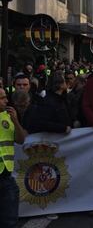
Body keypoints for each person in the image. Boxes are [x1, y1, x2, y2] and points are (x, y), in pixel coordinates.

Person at [0, 88, 27, 228]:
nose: (6, 100)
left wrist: (15, 121)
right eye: (2, 98)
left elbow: (21, 139)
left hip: (5, 174)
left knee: (10, 221)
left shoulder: (8, 116)